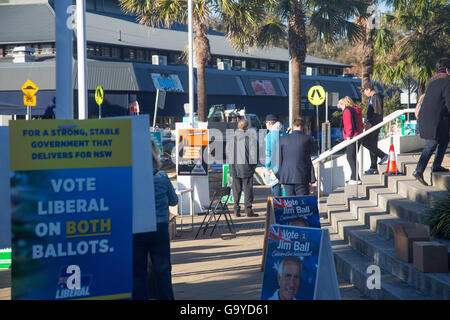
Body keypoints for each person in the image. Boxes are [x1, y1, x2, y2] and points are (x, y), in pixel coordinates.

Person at [133, 140, 178, 300]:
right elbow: (173, 201)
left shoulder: (132, 177)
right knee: (163, 270)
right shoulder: (162, 176)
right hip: (160, 227)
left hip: (137, 228)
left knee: (138, 272)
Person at [413, 57, 450, 186]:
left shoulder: (433, 81)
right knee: (431, 144)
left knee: (444, 139)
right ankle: (418, 170)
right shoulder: (446, 81)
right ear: (447, 69)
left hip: (430, 118)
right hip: (434, 120)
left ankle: (437, 165)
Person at [227, 119, 258, 217]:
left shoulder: (231, 138)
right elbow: (253, 155)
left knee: (236, 189)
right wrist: (253, 167)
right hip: (246, 167)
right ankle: (248, 210)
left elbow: (227, 153)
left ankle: (236, 210)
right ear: (247, 128)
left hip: (234, 167)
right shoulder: (250, 138)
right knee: (248, 189)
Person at [278, 118, 315, 196]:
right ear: (304, 127)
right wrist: (306, 133)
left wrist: (281, 175)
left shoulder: (282, 139)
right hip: (302, 176)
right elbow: (314, 151)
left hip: (287, 176)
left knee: (290, 202)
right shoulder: (308, 138)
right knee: (302, 202)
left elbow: (280, 159)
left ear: (292, 126)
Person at [362, 82, 389, 174]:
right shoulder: (373, 97)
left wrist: (370, 122)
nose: (364, 93)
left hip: (374, 125)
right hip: (372, 124)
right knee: (372, 145)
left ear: (368, 89)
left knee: (366, 142)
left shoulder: (376, 97)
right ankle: (373, 167)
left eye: (364, 91)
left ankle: (383, 155)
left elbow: (378, 113)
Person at [337, 96, 364, 185]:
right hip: (358, 135)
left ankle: (355, 178)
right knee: (353, 157)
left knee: (350, 157)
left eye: (340, 107)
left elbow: (348, 125)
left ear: (343, 104)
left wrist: (348, 136)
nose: (341, 109)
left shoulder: (347, 111)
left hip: (352, 137)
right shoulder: (356, 110)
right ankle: (354, 177)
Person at [264, 114, 284, 197]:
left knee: (275, 187)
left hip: (274, 166)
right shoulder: (283, 133)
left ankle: (277, 207)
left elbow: (268, 153)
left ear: (269, 123)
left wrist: (267, 167)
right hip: (285, 164)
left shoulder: (269, 136)